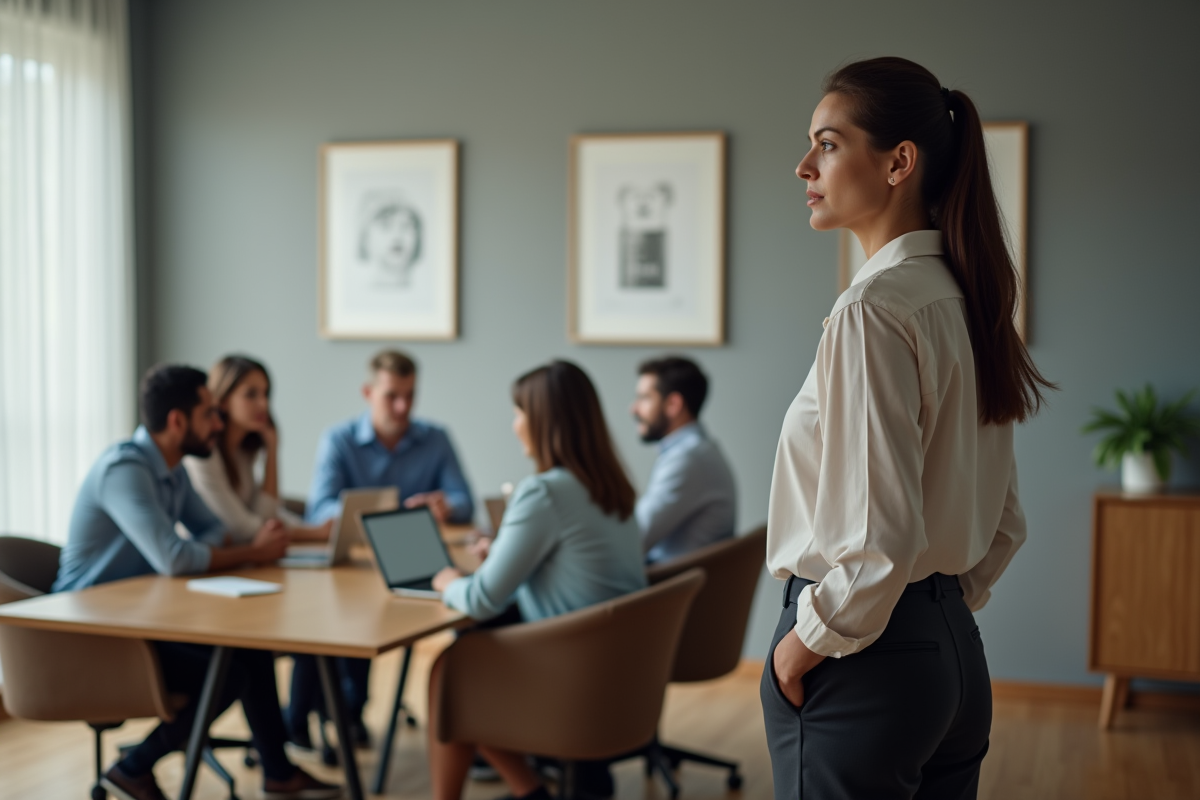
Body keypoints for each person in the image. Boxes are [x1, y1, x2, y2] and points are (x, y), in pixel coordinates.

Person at [762, 57, 1053, 800]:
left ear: (898, 162)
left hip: (864, 662)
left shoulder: (873, 310)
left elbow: (876, 539)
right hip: (949, 652)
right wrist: (936, 614)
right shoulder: (965, 298)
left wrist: (799, 651)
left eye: (827, 144)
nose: (804, 166)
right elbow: (1006, 521)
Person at [53, 365, 340, 800]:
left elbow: (211, 531)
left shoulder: (173, 470)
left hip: (138, 617)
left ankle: (278, 773)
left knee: (250, 647)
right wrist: (250, 553)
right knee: (227, 676)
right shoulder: (124, 469)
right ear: (177, 421)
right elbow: (174, 558)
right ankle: (132, 767)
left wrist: (208, 551)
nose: (219, 424)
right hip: (93, 632)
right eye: (210, 414)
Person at [427, 360, 647, 800]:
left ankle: (519, 791)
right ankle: (529, 790)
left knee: (450, 672)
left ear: (543, 422)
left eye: (519, 413)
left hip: (570, 676)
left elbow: (482, 599)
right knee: (467, 670)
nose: (515, 425)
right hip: (620, 671)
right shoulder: (611, 486)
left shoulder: (544, 492)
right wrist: (509, 556)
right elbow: (577, 564)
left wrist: (446, 579)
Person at [288, 349, 475, 750]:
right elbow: (318, 509)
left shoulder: (435, 438)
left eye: (410, 395)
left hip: (411, 558)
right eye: (392, 396)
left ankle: (348, 709)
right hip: (354, 565)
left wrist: (446, 505)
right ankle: (336, 711)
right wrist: (376, 511)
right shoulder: (338, 440)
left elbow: (464, 500)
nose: (403, 406)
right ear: (368, 392)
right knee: (350, 613)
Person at [184, 355, 331, 544]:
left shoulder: (243, 452)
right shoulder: (203, 456)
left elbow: (265, 516)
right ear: (223, 400)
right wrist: (315, 534)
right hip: (207, 564)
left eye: (265, 394)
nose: (264, 404)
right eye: (251, 394)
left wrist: (272, 451)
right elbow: (243, 529)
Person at [630, 355, 737, 563]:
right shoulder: (696, 451)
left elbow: (633, 539)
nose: (633, 409)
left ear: (673, 404)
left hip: (672, 588)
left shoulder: (687, 459)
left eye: (644, 398)